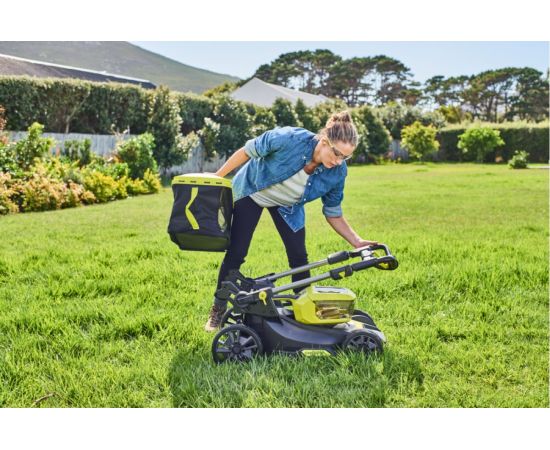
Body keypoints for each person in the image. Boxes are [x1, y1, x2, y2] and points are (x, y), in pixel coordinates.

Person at [204, 111, 378, 331]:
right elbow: (248, 150)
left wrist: (357, 241)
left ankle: (304, 311)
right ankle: (218, 309)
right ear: (324, 141)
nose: (338, 161)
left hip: (288, 206)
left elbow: (333, 212)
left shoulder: (338, 172)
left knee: (299, 257)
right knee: (237, 252)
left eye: (345, 157)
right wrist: (218, 177)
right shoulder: (289, 139)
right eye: (336, 153)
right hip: (253, 191)